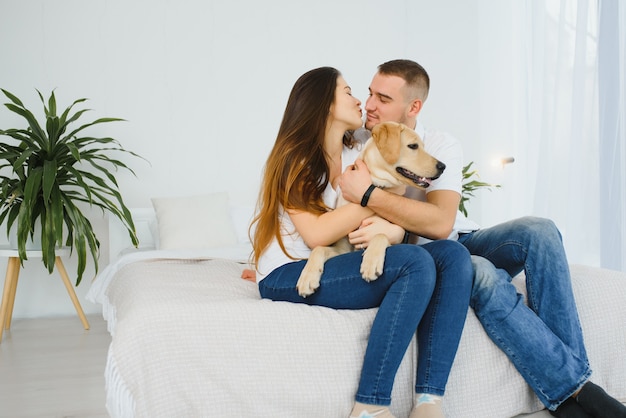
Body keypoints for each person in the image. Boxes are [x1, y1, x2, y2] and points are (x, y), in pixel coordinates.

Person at [339, 59, 626, 418]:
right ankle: (577, 392)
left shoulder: (440, 144)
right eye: (369, 93)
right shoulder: (355, 146)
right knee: (482, 273)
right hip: (436, 259)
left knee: (541, 230)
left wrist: (369, 194)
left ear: (413, 107)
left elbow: (442, 222)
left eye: (382, 97)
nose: (369, 104)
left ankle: (573, 387)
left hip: (463, 236)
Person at [251, 66, 473, 418]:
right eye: (349, 91)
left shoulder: (356, 155)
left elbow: (387, 204)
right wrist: (368, 197)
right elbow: (318, 235)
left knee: (452, 254)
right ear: (324, 104)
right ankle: (369, 407)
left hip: (336, 260)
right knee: (415, 263)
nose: (362, 102)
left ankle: (429, 402)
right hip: (288, 272)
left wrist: (384, 214)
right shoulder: (295, 157)